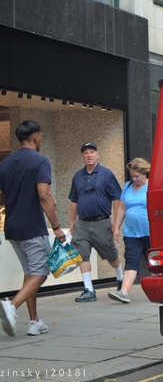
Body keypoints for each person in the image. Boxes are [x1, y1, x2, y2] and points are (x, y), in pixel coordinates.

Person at [0, 120, 67, 336]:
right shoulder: (40, 161)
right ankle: (11, 307)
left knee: (30, 272)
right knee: (41, 272)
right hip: (32, 227)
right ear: (36, 137)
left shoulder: (6, 163)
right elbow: (44, 195)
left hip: (12, 228)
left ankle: (35, 321)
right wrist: (56, 226)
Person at [69, 142, 123, 302]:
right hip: (82, 224)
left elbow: (116, 198)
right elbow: (73, 200)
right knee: (82, 255)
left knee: (111, 254)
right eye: (86, 153)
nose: (89, 155)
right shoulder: (77, 176)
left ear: (97, 155)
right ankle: (89, 290)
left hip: (102, 222)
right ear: (82, 157)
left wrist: (116, 225)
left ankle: (120, 277)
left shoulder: (106, 174)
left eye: (92, 152)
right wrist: (72, 222)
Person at [108, 158, 151, 304]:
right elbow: (121, 207)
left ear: (145, 173)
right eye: (132, 176)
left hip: (151, 232)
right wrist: (116, 227)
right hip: (131, 232)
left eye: (137, 176)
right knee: (131, 260)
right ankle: (124, 292)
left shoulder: (152, 185)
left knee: (156, 262)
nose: (134, 179)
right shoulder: (127, 186)